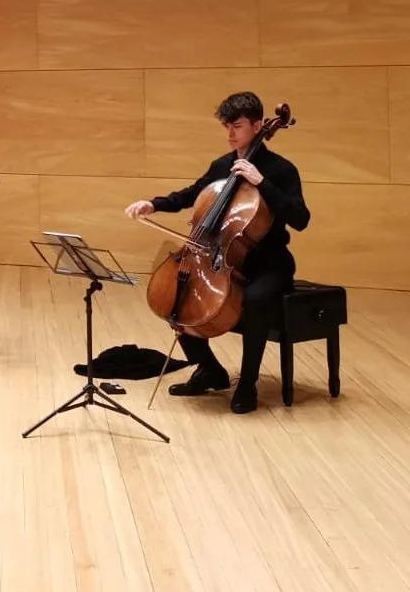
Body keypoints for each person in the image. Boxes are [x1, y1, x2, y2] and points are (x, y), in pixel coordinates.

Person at [125, 91, 311, 414]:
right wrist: (154, 204)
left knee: (254, 300)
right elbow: (192, 194)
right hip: (218, 258)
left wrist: (262, 182)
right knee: (179, 295)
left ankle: (248, 383)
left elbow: (301, 219)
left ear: (257, 126)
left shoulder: (281, 170)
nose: (229, 134)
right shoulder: (222, 166)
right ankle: (209, 369)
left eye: (236, 126)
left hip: (268, 263)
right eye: (226, 126)